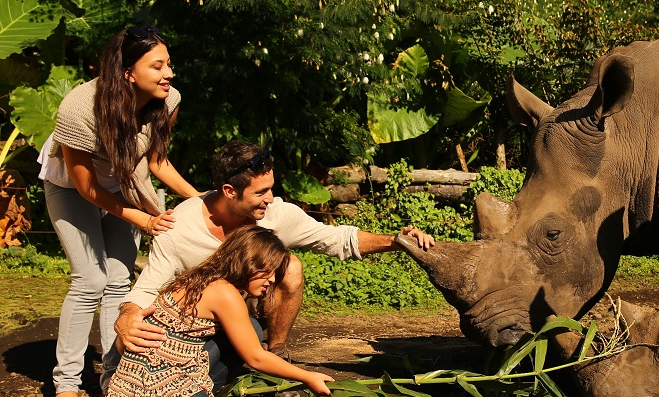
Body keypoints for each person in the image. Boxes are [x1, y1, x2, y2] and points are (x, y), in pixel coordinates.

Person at [110, 140, 434, 382]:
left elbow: (335, 238)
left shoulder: (274, 214)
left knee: (291, 267)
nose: (270, 198)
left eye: (271, 188)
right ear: (229, 190)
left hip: (240, 316)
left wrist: (396, 241)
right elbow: (148, 288)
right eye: (260, 192)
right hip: (195, 325)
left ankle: (274, 354)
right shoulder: (180, 227)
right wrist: (126, 316)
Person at [61, 226, 334, 397]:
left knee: (248, 328)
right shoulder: (224, 294)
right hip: (157, 375)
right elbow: (255, 358)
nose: (272, 280)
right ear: (249, 262)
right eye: (268, 272)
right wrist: (307, 377)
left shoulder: (212, 278)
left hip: (174, 360)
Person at [40, 24, 200, 397]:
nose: (169, 74)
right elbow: (86, 186)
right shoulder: (80, 108)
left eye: (169, 64)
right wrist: (143, 219)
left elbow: (157, 161)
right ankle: (68, 382)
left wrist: (202, 201)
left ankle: (115, 377)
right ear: (128, 72)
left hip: (128, 181)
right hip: (73, 186)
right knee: (90, 279)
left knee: (119, 281)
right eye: (157, 65)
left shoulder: (168, 100)